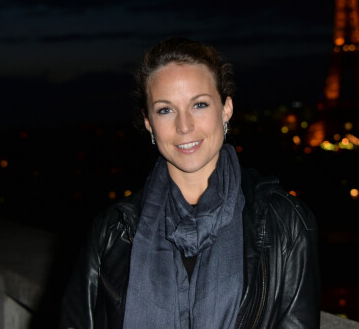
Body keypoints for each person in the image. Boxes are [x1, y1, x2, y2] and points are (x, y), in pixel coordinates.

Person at [59, 37, 320, 328]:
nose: (184, 127)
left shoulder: (286, 222)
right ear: (149, 123)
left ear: (226, 110)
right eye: (165, 110)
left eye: (199, 104)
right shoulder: (111, 230)